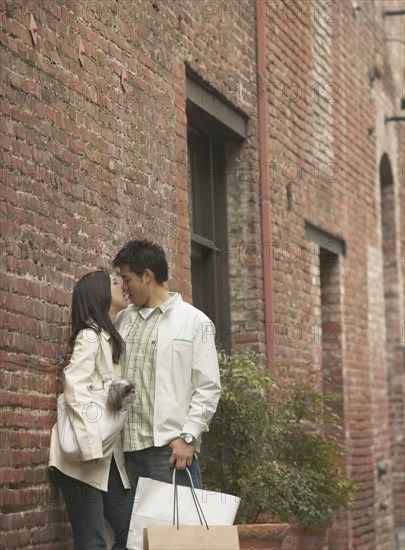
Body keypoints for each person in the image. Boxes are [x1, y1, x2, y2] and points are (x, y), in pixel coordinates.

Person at [113, 239, 221, 491]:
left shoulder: (195, 322)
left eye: (127, 279)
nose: (124, 288)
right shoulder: (122, 318)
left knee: (178, 529)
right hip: (124, 450)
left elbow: (208, 387)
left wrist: (188, 437)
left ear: (147, 276)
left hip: (168, 450)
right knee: (133, 531)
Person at [49, 270, 134, 550]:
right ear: (99, 293)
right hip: (82, 461)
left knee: (130, 531)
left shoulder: (108, 337)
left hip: (106, 459)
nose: (121, 285)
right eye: (113, 282)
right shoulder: (90, 335)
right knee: (91, 542)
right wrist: (89, 446)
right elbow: (74, 388)